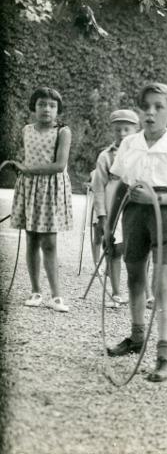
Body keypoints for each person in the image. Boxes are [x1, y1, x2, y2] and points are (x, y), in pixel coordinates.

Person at [105, 82, 167, 382]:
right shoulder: (130, 144)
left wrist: (155, 199)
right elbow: (119, 184)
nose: (150, 112)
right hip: (133, 214)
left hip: (163, 215)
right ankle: (135, 336)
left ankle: (164, 355)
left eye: (159, 107)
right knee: (133, 274)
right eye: (146, 106)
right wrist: (108, 227)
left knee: (161, 286)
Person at [10, 87, 74, 312]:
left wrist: (28, 169)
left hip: (51, 189)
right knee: (32, 239)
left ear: (58, 109)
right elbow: (24, 157)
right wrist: (21, 167)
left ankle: (56, 296)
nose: (46, 109)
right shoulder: (26, 130)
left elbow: (59, 165)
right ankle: (35, 291)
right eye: (41, 104)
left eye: (52, 105)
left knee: (50, 241)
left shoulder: (63, 132)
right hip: (30, 188)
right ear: (34, 107)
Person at [91, 109, 140, 307]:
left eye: (126, 130)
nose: (122, 134)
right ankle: (117, 292)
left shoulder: (142, 154)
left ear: (136, 130)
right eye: (118, 130)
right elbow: (98, 187)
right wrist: (101, 215)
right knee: (114, 249)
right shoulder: (106, 156)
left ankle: (142, 293)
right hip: (113, 210)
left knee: (139, 250)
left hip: (136, 207)